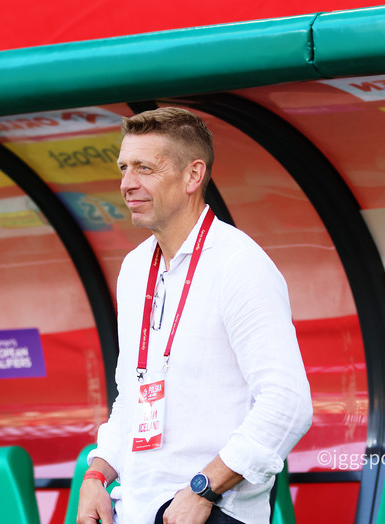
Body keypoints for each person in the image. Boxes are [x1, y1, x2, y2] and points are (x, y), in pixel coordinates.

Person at [77, 107, 312, 524]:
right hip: (135, 510)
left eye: (145, 168)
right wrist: (97, 474)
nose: (127, 183)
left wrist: (204, 488)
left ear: (193, 176)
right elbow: (132, 397)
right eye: (124, 168)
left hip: (211, 511)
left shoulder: (239, 264)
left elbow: (288, 403)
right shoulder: (134, 268)